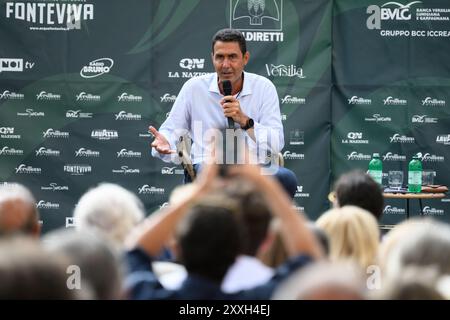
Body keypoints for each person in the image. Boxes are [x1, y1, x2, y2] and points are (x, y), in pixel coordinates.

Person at [149, 28, 298, 198]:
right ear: (212, 58)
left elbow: (276, 143)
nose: (225, 65)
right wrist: (165, 143)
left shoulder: (264, 88)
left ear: (245, 58)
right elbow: (170, 129)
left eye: (232, 57)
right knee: (216, 176)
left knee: (286, 178)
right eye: (220, 57)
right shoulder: (194, 88)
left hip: (253, 164)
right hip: (209, 163)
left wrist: (245, 120)